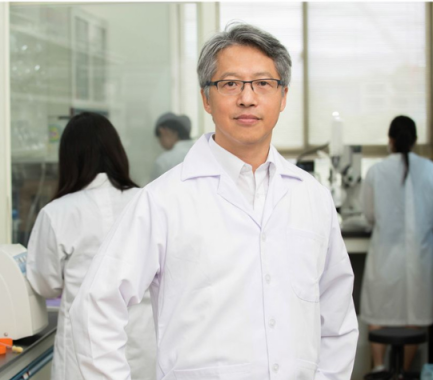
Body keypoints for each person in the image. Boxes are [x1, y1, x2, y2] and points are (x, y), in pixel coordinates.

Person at [71, 24, 358, 379]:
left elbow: (338, 316)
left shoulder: (311, 197)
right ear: (206, 98)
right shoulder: (164, 200)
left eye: (263, 84)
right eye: (230, 84)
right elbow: (96, 306)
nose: (247, 98)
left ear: (283, 96)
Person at [26, 112, 156, 380]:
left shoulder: (57, 212)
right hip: (144, 342)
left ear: (69, 159)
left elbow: (45, 284)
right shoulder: (148, 202)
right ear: (117, 152)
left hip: (84, 350)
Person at [360, 116, 433, 373]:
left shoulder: (377, 171)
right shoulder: (431, 170)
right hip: (420, 259)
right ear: (416, 140)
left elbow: (369, 214)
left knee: (378, 311)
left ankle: (378, 368)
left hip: (385, 256)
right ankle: (404, 373)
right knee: (415, 315)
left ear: (390, 141)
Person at [150, 112, 194, 180]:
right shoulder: (204, 152)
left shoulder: (164, 161)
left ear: (163, 131)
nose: (159, 143)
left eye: (159, 138)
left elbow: (152, 189)